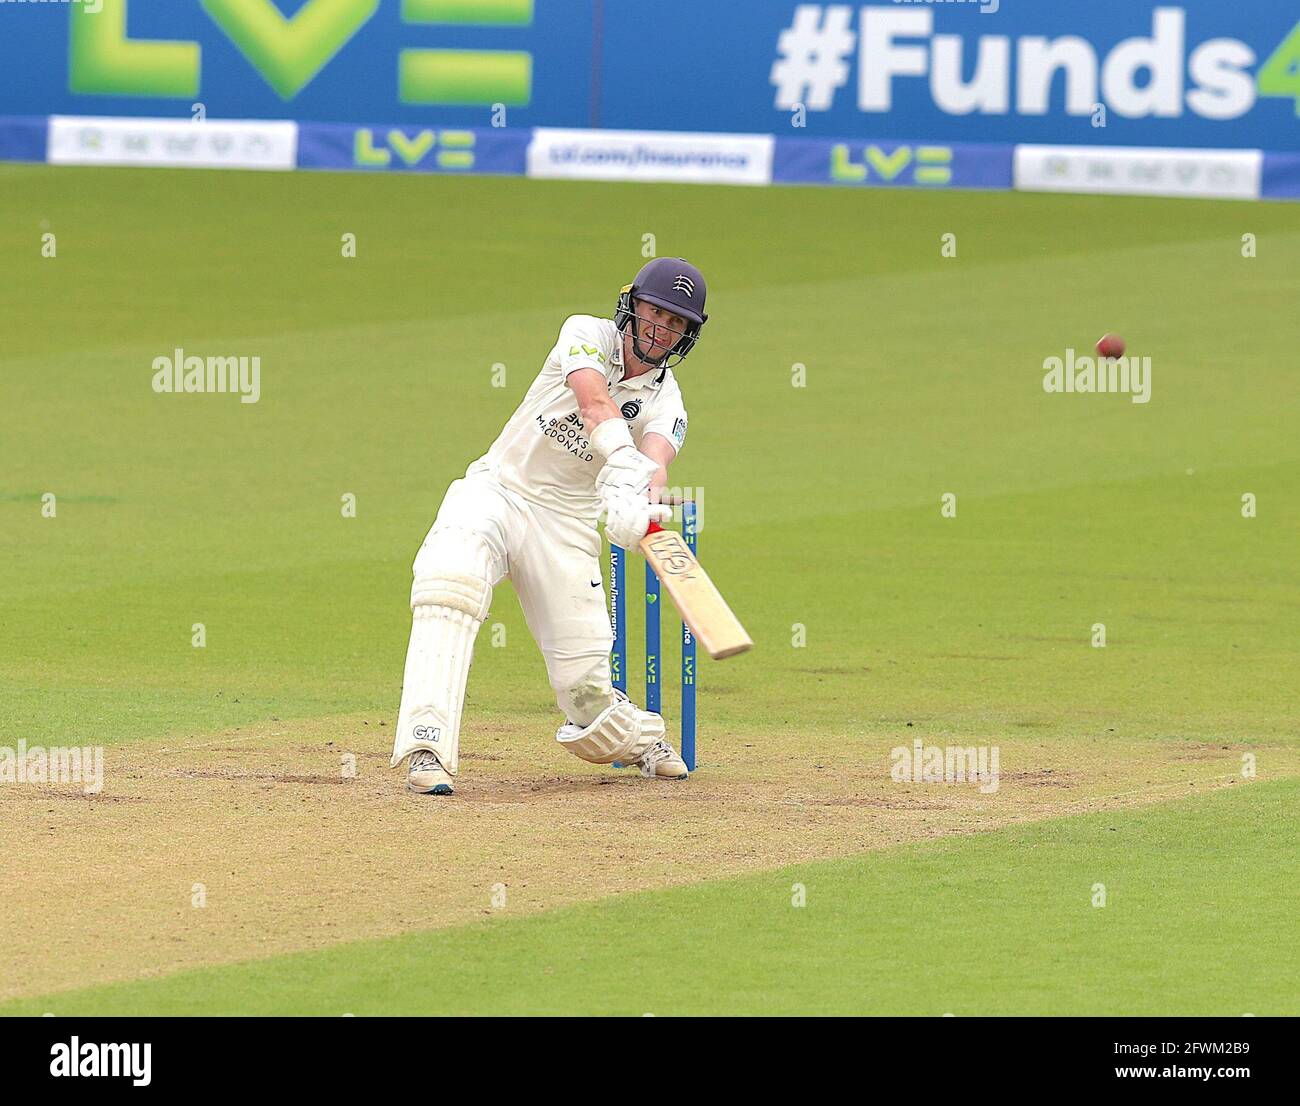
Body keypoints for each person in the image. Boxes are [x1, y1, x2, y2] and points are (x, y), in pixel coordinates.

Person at [390, 258, 708, 795]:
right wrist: (623, 460)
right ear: (632, 307)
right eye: (656, 312)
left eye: (677, 323)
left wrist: (639, 507)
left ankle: (638, 739)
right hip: (500, 489)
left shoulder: (668, 400)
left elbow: (655, 466)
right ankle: (427, 745)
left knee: (584, 690)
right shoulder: (586, 332)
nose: (662, 329)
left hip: (565, 524)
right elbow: (592, 400)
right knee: (449, 582)